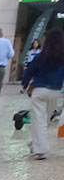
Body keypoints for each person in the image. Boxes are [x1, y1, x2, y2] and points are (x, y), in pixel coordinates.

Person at [21, 26, 64, 159]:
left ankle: (41, 149)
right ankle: (34, 143)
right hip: (55, 92)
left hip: (40, 90)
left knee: (38, 120)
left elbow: (29, 71)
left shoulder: (41, 56)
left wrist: (25, 83)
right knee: (45, 120)